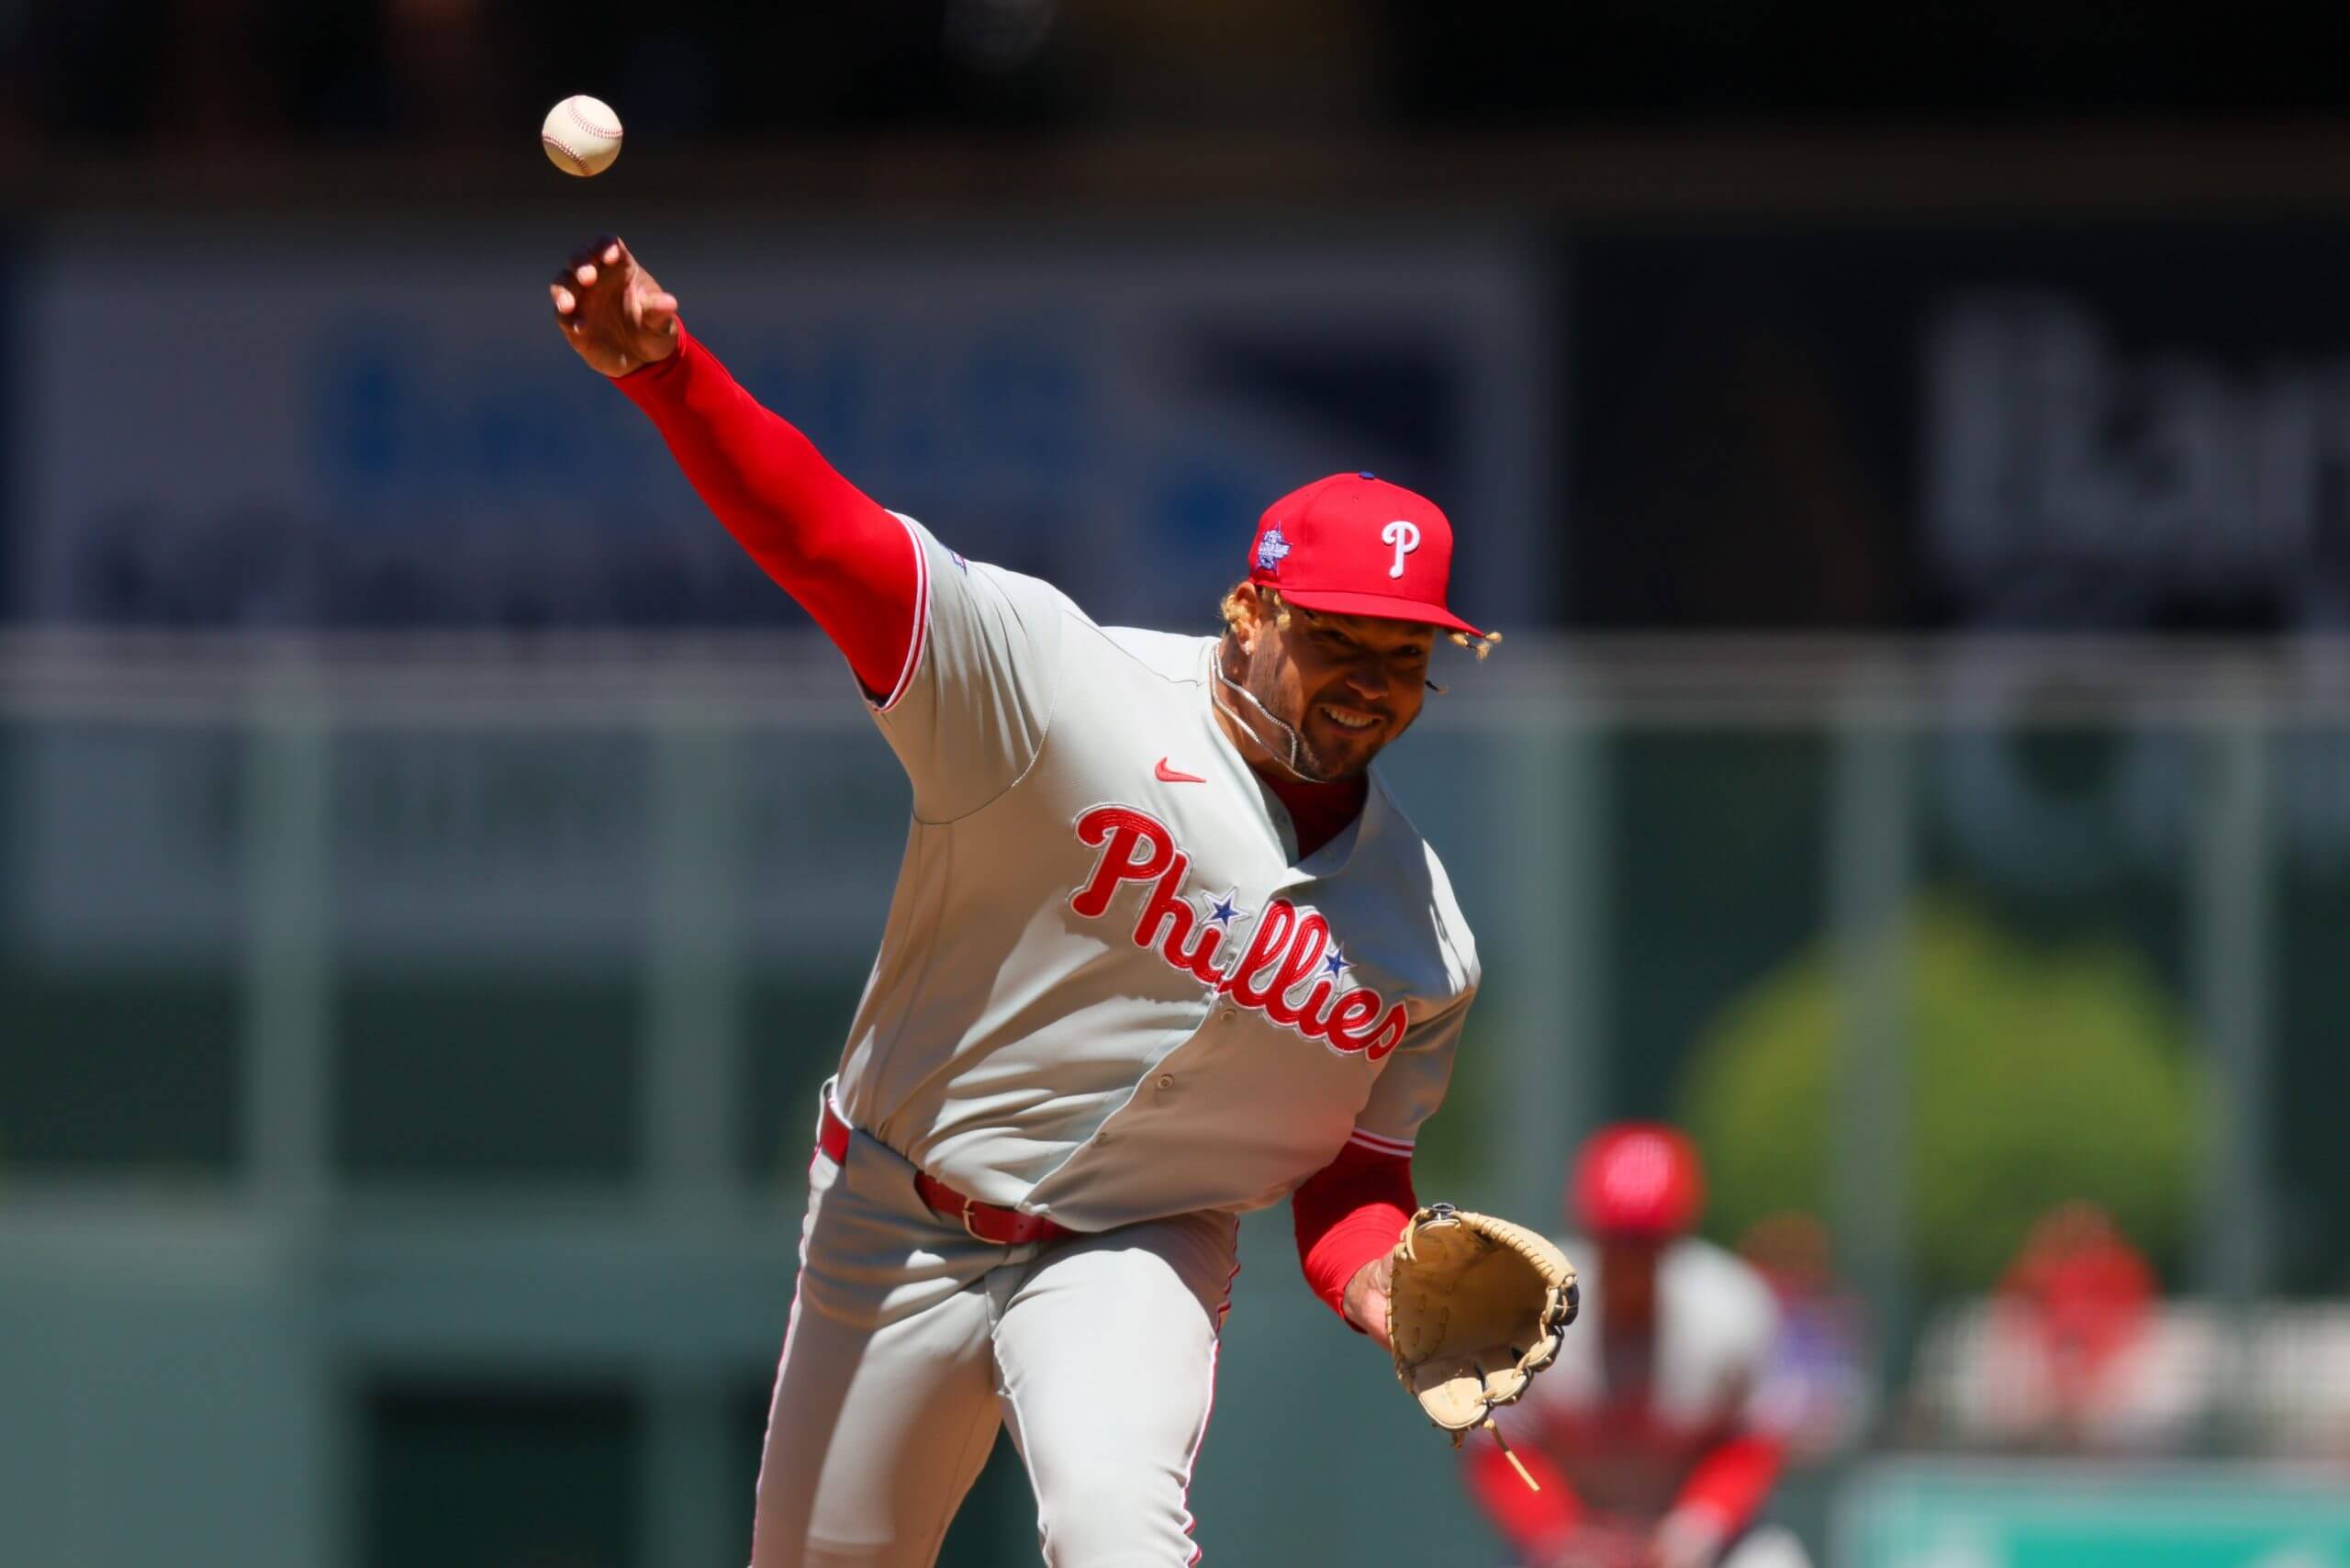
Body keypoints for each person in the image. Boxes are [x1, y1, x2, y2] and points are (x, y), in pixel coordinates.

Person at [552, 237, 1497, 1566]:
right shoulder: (1063, 690)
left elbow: (1354, 1176)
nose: (1369, 680)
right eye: (1335, 637)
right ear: (1248, 610)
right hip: (897, 1209)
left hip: (1142, 1247)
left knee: (1119, 1529)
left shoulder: (1424, 940)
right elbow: (834, 548)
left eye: (1404, 656)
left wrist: (1393, 1285)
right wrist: (671, 376)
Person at [1466, 1125, 1810, 1568]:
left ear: (1677, 1236)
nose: (1631, 1255)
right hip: (1571, 1536)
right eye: (1616, 1238)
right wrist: (1563, 1535)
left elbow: (1754, 1443)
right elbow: (1498, 1451)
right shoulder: (1524, 1311)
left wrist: (1692, 1533)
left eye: (1648, 1241)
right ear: (1589, 1230)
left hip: (1704, 1536)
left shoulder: (1733, 1307)